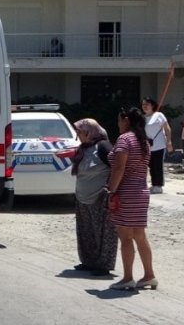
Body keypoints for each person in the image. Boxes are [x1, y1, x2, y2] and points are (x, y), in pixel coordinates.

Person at [105, 107, 157, 290]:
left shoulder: (125, 139)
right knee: (140, 236)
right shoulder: (143, 140)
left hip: (126, 193)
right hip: (141, 192)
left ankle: (127, 277)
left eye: (119, 120)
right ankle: (149, 275)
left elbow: (119, 168)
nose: (118, 124)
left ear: (125, 120)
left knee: (125, 237)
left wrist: (111, 190)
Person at [70, 118, 116, 276]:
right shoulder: (83, 148)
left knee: (102, 233)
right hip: (82, 197)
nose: (78, 135)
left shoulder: (103, 147)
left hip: (99, 198)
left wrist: (110, 188)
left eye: (80, 132)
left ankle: (103, 265)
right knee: (86, 231)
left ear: (90, 132)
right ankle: (88, 261)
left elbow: (117, 167)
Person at [141, 97, 172, 194]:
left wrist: (169, 141)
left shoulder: (159, 115)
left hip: (159, 145)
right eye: (143, 104)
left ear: (152, 105)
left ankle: (159, 185)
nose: (145, 106)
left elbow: (167, 128)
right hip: (148, 145)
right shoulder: (142, 118)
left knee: (158, 165)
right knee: (150, 166)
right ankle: (154, 184)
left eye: (147, 104)